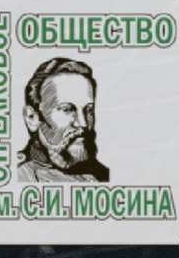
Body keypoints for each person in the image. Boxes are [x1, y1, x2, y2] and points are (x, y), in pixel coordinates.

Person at [20, 56, 112, 186]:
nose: (83, 123)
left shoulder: (103, 174)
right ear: (32, 118)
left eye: (89, 110)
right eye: (67, 109)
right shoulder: (21, 176)